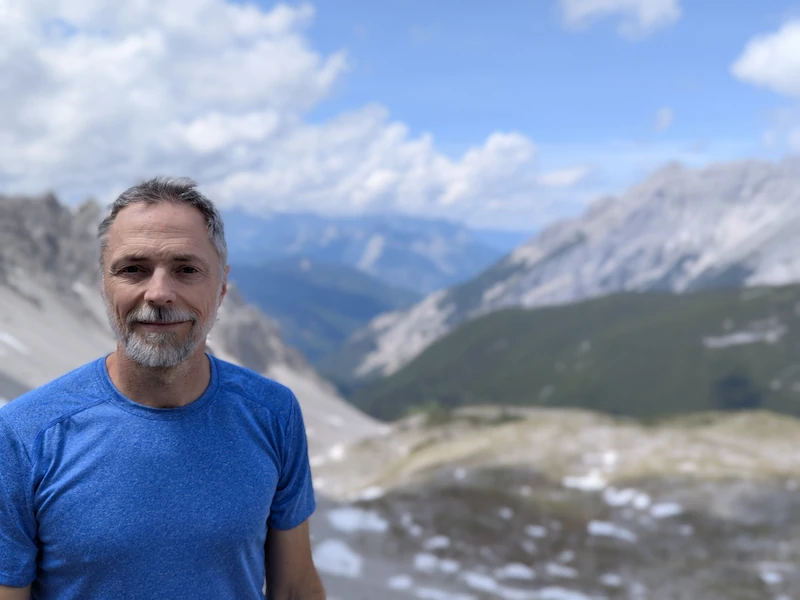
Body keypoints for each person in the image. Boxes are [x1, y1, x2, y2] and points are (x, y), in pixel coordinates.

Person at [0, 177, 326, 600]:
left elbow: (296, 588)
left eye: (186, 269)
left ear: (223, 286)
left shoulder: (273, 412)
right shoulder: (22, 435)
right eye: (132, 269)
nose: (158, 292)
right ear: (103, 283)